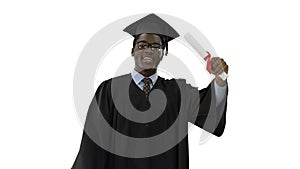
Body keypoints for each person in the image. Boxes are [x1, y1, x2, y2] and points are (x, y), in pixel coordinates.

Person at [71, 13, 229, 169]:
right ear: (133, 51)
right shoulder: (110, 90)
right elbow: (92, 147)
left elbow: (210, 114)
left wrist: (220, 80)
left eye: (156, 46)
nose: (148, 50)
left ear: (163, 54)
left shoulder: (178, 93)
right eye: (142, 45)